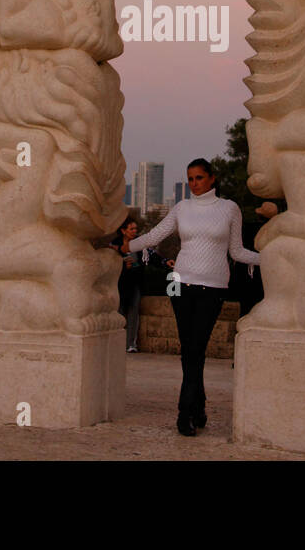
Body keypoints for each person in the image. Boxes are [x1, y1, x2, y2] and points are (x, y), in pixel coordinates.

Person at [122, 158, 259, 436]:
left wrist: (269, 258)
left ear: (211, 178)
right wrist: (125, 246)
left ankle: (188, 410)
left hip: (214, 287)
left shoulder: (229, 209)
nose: (194, 184)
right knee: (190, 350)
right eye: (190, 179)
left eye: (198, 178)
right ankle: (194, 408)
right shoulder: (182, 207)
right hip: (180, 285)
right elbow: (157, 235)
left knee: (196, 348)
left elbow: (237, 251)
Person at [108, 213, 145, 352]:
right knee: (119, 313)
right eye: (131, 229)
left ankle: (131, 344)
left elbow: (148, 258)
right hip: (118, 285)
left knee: (133, 313)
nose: (134, 231)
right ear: (123, 230)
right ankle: (117, 344)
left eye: (136, 229)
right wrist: (123, 265)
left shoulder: (139, 244)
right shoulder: (113, 245)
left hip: (134, 285)